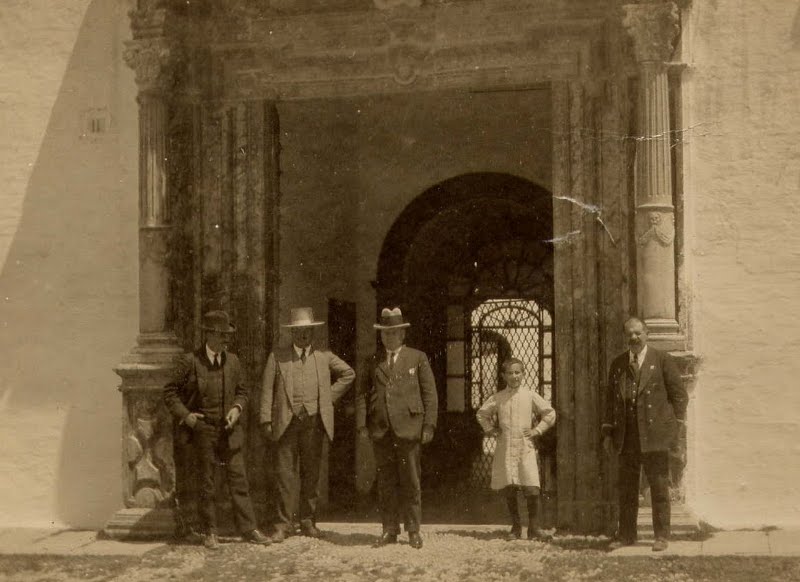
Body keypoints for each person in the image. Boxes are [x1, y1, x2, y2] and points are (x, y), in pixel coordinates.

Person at [164, 310, 271, 550]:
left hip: (229, 431)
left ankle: (249, 528)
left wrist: (237, 408)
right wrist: (188, 417)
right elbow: (169, 393)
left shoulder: (233, 361)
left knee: (238, 480)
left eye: (228, 336)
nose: (227, 340)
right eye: (222, 335)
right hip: (203, 432)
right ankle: (209, 531)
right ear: (210, 335)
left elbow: (243, 391)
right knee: (207, 483)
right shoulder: (190, 361)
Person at [260, 306, 355, 541]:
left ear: (313, 333)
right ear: (292, 333)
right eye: (298, 331)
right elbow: (266, 391)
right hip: (286, 422)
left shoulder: (323, 356)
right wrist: (265, 419)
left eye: (307, 331)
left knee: (311, 475)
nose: (303, 335)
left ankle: (308, 521)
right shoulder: (278, 356)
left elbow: (349, 374)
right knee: (285, 475)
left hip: (314, 422)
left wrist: (326, 399)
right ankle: (283, 524)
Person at [602, 317, 688, 552]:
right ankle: (627, 535)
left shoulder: (662, 360)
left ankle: (661, 536)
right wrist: (609, 433)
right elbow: (610, 401)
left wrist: (673, 428)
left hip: (655, 436)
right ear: (625, 336)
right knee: (627, 489)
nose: (634, 338)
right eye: (629, 334)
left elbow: (679, 396)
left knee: (659, 488)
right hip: (627, 437)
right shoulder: (618, 364)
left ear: (647, 334)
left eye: (638, 333)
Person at [355, 307, 438, 549]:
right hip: (380, 430)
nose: (389, 338)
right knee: (386, 482)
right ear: (381, 336)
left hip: (409, 428)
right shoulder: (372, 361)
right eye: (385, 334)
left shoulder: (417, 358)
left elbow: (430, 394)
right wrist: (362, 424)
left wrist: (429, 425)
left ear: (402, 335)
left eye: (393, 333)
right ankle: (389, 529)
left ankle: (413, 530)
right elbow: (361, 395)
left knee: (411, 480)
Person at [476, 357, 556, 540]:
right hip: (505, 446)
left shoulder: (529, 395)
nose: (514, 376)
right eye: (510, 373)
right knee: (510, 486)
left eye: (517, 372)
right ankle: (516, 526)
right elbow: (481, 414)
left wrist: (537, 430)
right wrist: (490, 430)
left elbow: (549, 413)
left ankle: (534, 527)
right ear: (504, 376)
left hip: (524, 447)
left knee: (531, 487)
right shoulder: (498, 397)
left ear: (523, 374)